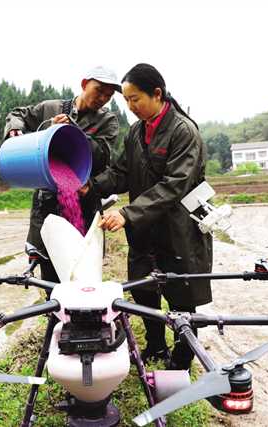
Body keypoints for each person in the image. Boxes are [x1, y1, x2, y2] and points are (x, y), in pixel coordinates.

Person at [84, 63, 212, 370]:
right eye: (126, 100)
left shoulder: (183, 131)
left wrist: (127, 213)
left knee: (181, 297)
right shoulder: (136, 132)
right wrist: (90, 186)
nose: (130, 106)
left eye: (135, 99)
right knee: (143, 291)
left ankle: (182, 359)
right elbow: (121, 173)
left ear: (157, 94)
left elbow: (174, 185)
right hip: (144, 229)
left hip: (178, 229)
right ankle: (155, 347)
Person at [4, 66, 120, 283]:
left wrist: (72, 131)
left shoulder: (107, 120)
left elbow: (102, 155)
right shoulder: (51, 108)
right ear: (84, 84)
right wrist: (15, 131)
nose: (103, 98)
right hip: (48, 206)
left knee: (86, 274)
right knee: (52, 279)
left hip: (84, 202)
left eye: (109, 95)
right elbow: (17, 114)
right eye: (99, 90)